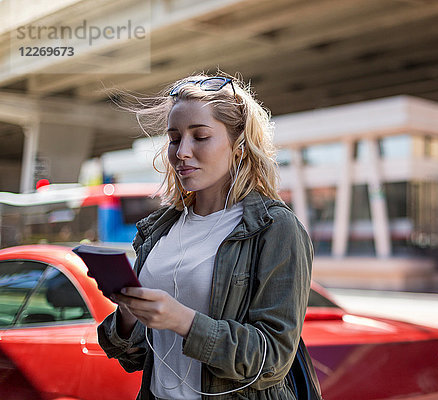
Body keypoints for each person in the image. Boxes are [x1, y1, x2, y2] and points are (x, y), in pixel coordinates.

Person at [97, 74, 313, 399]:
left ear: (239, 147)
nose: (182, 152)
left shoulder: (275, 228)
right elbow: (138, 358)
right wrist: (130, 312)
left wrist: (182, 320)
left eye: (200, 136)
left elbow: (272, 360)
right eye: (174, 138)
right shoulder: (158, 231)